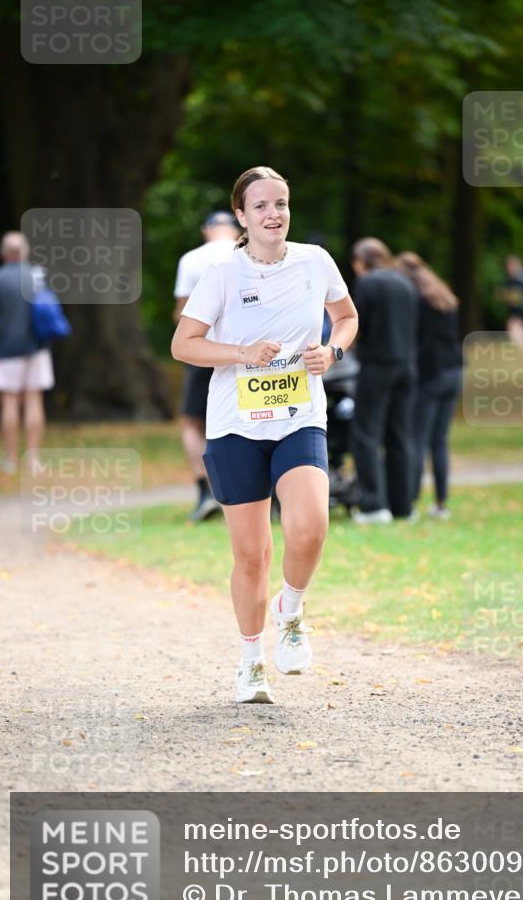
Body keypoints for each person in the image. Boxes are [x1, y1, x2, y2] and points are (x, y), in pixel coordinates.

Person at [171, 166, 358, 704]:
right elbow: (183, 344)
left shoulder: (315, 261)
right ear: (241, 215)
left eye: (281, 203)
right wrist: (241, 354)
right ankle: (251, 661)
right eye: (261, 206)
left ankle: (290, 610)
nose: (273, 214)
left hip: (300, 415)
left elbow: (346, 317)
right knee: (252, 554)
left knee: (311, 527)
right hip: (236, 425)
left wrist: (333, 350)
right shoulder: (223, 273)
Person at [173, 211, 239, 522]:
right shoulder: (250, 253)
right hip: (246, 351)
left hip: (205, 349)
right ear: (236, 227)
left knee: (192, 421)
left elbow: (182, 313)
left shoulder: (191, 260)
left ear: (206, 230)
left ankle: (205, 491)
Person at [349, 238, 419, 524]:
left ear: (360, 261)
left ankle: (373, 505)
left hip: (377, 365)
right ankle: (403, 505)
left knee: (366, 434)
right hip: (407, 365)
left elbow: (355, 324)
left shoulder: (368, 283)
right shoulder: (405, 282)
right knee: (399, 435)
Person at [396, 252, 463, 520]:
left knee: (417, 439)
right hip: (454, 371)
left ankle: (410, 503)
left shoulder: (415, 299)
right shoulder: (443, 296)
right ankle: (441, 503)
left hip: (431, 375)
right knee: (439, 441)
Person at [0, 232, 54, 474]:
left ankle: (10, 460)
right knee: (34, 400)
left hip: (6, 349)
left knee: (9, 402)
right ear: (25, 252)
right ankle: (33, 460)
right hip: (37, 348)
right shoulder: (38, 277)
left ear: (3, 253)